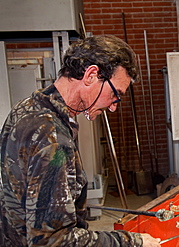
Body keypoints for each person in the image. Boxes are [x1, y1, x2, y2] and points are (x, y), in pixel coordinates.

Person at [0, 35, 161, 247]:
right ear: (91, 75)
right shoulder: (53, 139)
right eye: (115, 95)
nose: (113, 107)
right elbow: (53, 241)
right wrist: (131, 242)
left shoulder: (26, 108)